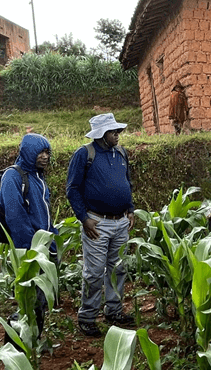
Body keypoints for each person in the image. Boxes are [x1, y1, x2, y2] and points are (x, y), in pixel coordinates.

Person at [65, 113, 136, 338]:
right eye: (113, 131)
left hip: (120, 222)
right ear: (101, 134)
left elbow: (127, 182)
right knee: (94, 272)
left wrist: (131, 208)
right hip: (97, 222)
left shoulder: (121, 152)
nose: (117, 134)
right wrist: (84, 218)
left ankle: (113, 311)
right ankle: (87, 316)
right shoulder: (85, 154)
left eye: (118, 131)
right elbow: (72, 189)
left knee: (118, 268)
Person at [0, 133, 57, 337]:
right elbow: (15, 218)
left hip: (43, 248)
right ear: (27, 152)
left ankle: (33, 340)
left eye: (47, 152)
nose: (44, 156)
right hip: (29, 251)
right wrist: (32, 251)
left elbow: (45, 214)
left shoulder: (38, 178)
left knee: (39, 301)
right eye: (39, 152)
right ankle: (15, 345)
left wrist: (53, 241)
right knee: (29, 300)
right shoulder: (13, 177)